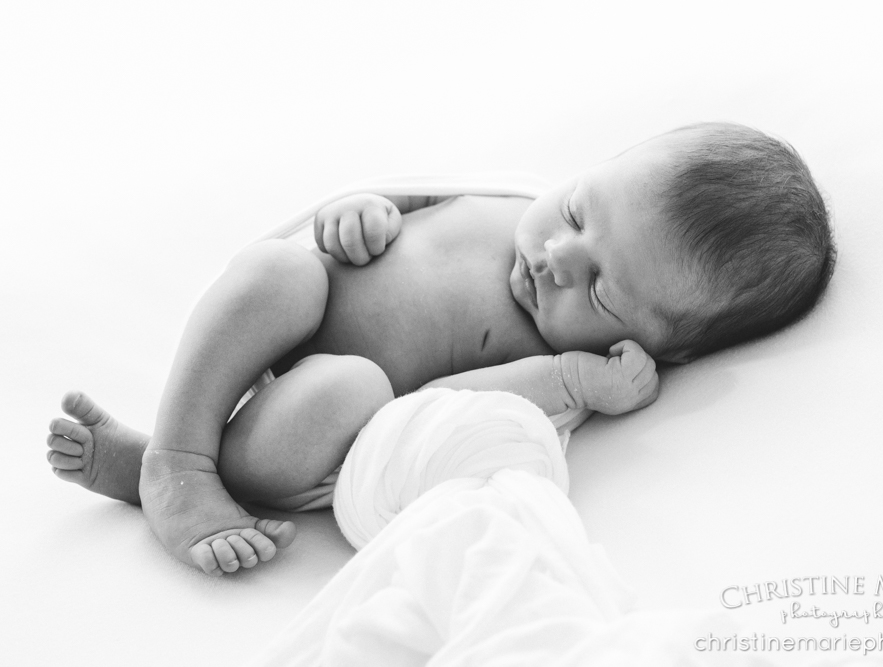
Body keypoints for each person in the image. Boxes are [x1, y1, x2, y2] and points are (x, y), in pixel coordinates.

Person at [45, 122, 835, 576]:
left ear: (657, 347)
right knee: (281, 266)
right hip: (275, 320)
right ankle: (179, 454)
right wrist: (359, 213)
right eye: (577, 210)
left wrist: (574, 378)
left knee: (348, 386)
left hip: (313, 419)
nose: (559, 255)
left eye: (599, 290)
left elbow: (450, 412)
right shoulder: (514, 195)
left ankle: (173, 468)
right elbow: (408, 193)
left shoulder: (563, 365)